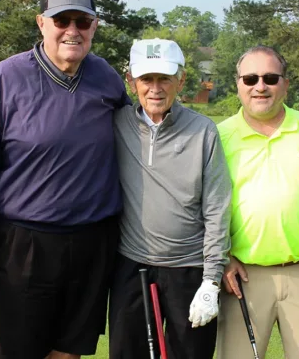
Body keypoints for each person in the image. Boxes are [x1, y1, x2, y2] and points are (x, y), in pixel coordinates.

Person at [0, 0, 130, 359]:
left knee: (68, 352)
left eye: (82, 21)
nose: (72, 30)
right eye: (62, 20)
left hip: (93, 243)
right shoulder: (4, 79)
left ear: (94, 26)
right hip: (24, 245)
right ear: (42, 23)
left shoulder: (107, 80)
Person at [107, 38, 232, 359]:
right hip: (132, 267)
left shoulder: (203, 130)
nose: (155, 88)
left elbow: (217, 208)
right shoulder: (117, 122)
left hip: (189, 270)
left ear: (182, 80)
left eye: (165, 78)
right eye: (146, 79)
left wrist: (211, 281)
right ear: (132, 82)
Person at [215, 45, 299, 359]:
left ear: (285, 83)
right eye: (250, 78)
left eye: (270, 78)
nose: (260, 86)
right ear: (237, 83)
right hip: (241, 277)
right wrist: (223, 257)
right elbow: (200, 208)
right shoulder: (217, 137)